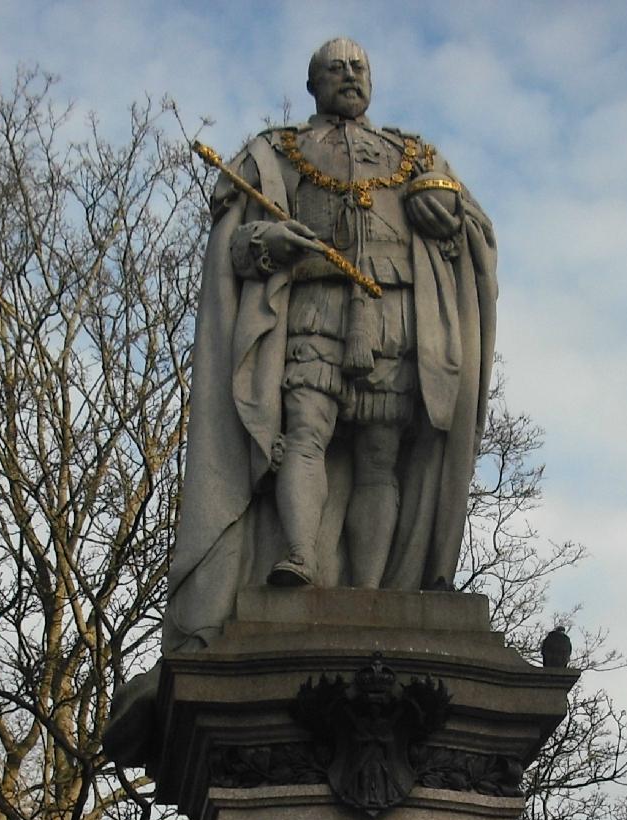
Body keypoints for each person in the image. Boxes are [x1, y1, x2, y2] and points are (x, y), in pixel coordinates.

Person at [164, 37, 498, 650]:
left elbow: (471, 230)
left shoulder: (416, 154)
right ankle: (298, 559)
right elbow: (237, 248)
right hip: (312, 309)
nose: (349, 75)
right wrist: (272, 241)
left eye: (359, 67)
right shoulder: (276, 153)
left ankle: (372, 593)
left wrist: (445, 217)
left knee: (378, 453)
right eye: (335, 69)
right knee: (306, 431)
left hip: (394, 313)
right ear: (313, 83)